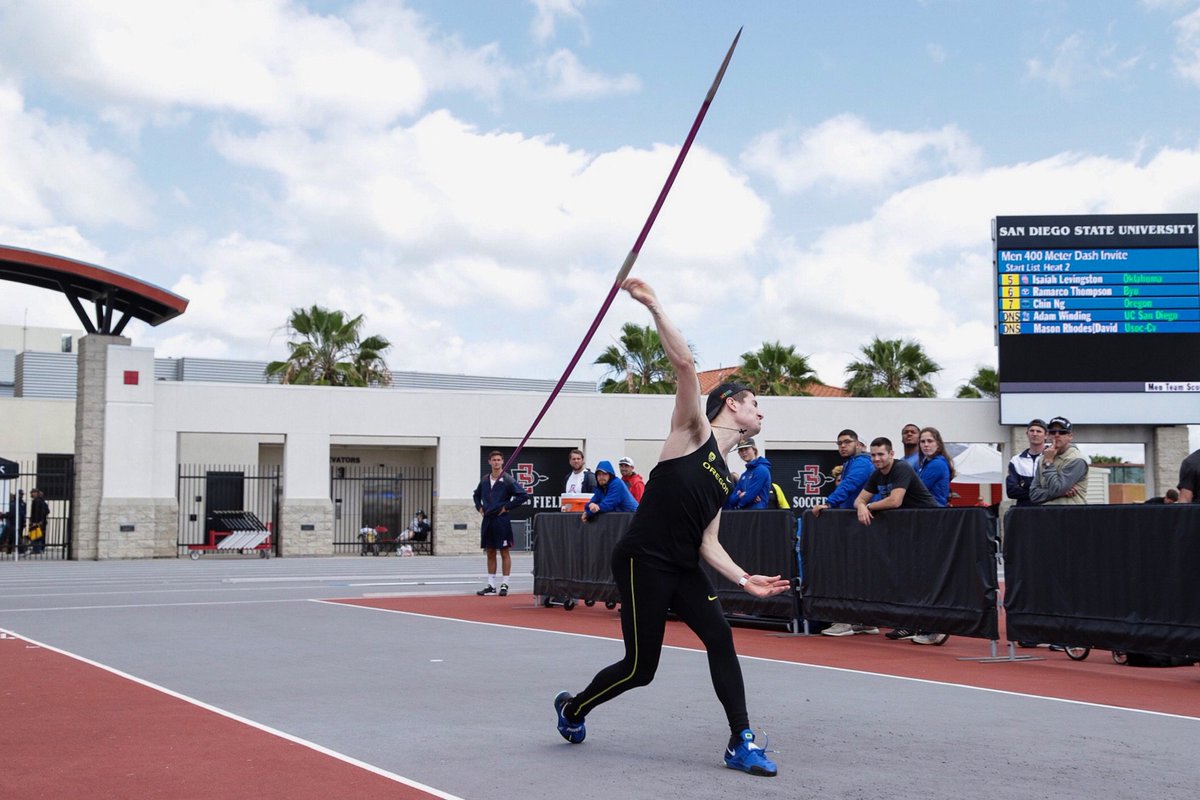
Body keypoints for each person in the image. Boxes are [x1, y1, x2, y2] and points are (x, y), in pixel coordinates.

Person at [553, 278, 790, 778]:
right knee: (641, 669)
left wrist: (744, 578)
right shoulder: (692, 432)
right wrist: (654, 305)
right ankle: (573, 708)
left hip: (683, 566)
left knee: (721, 637)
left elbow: (708, 541)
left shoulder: (727, 477)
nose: (761, 410)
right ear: (731, 404)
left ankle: (741, 741)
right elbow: (684, 366)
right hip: (643, 560)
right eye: (754, 402)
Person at [852, 437, 942, 643]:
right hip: (909, 532)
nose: (877, 459)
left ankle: (938, 627)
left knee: (927, 580)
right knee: (906, 578)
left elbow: (894, 501)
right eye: (873, 455)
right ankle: (909, 624)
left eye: (881, 454)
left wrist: (868, 506)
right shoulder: (877, 475)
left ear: (891, 454)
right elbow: (859, 499)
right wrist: (862, 506)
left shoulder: (901, 468)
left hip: (931, 527)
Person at [812, 429, 878, 638]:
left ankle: (847, 620)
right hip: (856, 525)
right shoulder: (852, 463)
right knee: (857, 574)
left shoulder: (862, 463)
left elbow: (849, 485)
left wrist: (829, 502)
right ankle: (864, 621)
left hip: (859, 526)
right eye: (839, 443)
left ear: (858, 444)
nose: (842, 446)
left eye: (847, 442)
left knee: (849, 574)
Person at [473, 450, 529, 596]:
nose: (496, 462)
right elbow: (476, 495)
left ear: (503, 462)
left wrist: (506, 507)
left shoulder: (507, 479)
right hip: (488, 520)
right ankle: (491, 585)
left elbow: (523, 495)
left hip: (501, 520)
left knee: (504, 551)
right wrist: (479, 507)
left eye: (499, 460)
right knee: (490, 551)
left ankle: (505, 584)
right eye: (494, 460)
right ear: (489, 462)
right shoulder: (485, 480)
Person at [1028, 417, 1088, 505]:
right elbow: (1033, 495)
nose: (1056, 435)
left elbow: (1056, 489)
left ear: (1070, 436)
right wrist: (1061, 493)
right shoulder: (1042, 458)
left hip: (1070, 512)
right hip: (1046, 512)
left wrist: (1049, 463)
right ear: (1048, 435)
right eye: (1053, 432)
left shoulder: (1077, 459)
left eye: (1062, 432)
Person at [1006, 419, 1047, 506]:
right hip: (1023, 510)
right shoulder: (1016, 460)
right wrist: (1044, 493)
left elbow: (1057, 488)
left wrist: (1025, 488)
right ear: (1027, 434)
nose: (1034, 434)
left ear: (1046, 435)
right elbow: (1011, 491)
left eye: (1038, 431)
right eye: (1032, 431)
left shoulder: (1054, 457)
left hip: (1048, 509)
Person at [724, 437, 773, 510]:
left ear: (754, 450)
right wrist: (740, 496)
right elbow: (731, 500)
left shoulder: (761, 470)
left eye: (746, 449)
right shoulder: (744, 475)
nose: (744, 452)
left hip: (757, 514)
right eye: (741, 450)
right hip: (744, 513)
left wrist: (739, 505)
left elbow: (750, 495)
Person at [915, 427, 955, 507]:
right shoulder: (927, 463)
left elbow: (918, 490)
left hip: (933, 510)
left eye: (930, 441)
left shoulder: (937, 464)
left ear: (938, 445)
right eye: (922, 441)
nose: (926, 445)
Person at [28, 488, 49, 554]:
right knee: (39, 535)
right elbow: (46, 511)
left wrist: (35, 521)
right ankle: (40, 549)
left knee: (36, 535)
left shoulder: (37, 501)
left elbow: (37, 512)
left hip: (37, 521)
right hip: (41, 521)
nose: (31, 494)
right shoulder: (42, 501)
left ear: (36, 493)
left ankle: (36, 549)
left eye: (33, 492)